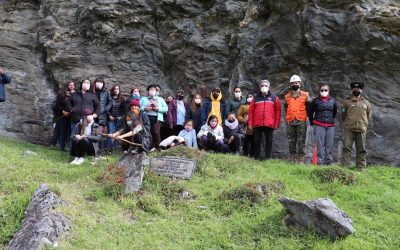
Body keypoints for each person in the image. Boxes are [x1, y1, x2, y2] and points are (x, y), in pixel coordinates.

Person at [341, 82, 372, 170]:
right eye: (354, 88)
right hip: (349, 129)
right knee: (346, 148)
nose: (356, 90)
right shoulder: (346, 102)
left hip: (361, 129)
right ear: (352, 89)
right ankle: (345, 166)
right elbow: (343, 115)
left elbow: (368, 116)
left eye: (358, 89)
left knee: (362, 149)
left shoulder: (367, 103)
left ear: (361, 90)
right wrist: (348, 123)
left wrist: (364, 125)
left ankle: (361, 167)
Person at [248, 80, 281, 160]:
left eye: (266, 86)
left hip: (269, 123)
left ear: (269, 87)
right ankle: (257, 157)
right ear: (260, 87)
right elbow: (251, 111)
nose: (264, 87)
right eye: (262, 85)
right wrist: (250, 123)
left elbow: (278, 111)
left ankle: (268, 158)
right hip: (257, 123)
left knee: (269, 141)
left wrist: (277, 123)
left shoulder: (274, 98)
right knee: (256, 141)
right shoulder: (255, 98)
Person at [308, 84, 338, 165]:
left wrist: (330, 120)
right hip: (319, 124)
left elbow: (334, 112)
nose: (324, 92)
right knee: (320, 145)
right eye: (322, 90)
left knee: (329, 144)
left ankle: (328, 162)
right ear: (319, 91)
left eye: (325, 90)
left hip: (330, 126)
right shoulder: (315, 101)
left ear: (329, 91)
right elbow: (310, 112)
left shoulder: (333, 100)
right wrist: (312, 123)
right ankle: (320, 162)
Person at [284, 75, 311, 163]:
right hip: (291, 121)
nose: (294, 84)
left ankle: (301, 161)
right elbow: (286, 107)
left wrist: (306, 117)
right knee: (291, 141)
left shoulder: (305, 95)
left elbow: (309, 107)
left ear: (299, 84)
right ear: (290, 85)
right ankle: (292, 160)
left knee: (301, 142)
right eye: (292, 83)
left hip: (301, 121)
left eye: (296, 83)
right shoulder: (287, 96)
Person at [140, 85, 168, 150]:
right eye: (151, 89)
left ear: (156, 91)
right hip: (146, 118)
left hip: (157, 119)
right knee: (147, 133)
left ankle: (159, 148)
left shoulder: (160, 99)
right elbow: (138, 107)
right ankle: (148, 148)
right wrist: (144, 108)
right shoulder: (143, 99)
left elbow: (166, 108)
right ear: (148, 91)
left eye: (154, 89)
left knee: (156, 133)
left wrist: (158, 109)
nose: (152, 91)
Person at [52, 81, 75, 151]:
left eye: (73, 85)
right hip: (62, 116)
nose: (72, 86)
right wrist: (63, 111)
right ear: (67, 86)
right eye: (70, 85)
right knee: (62, 131)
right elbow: (57, 105)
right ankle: (61, 147)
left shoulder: (75, 94)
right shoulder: (62, 94)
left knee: (69, 132)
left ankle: (67, 146)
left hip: (71, 116)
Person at [93, 78, 112, 150]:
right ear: (95, 83)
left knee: (100, 133)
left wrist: (105, 109)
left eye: (101, 82)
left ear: (103, 83)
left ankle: (99, 149)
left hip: (102, 116)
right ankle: (92, 149)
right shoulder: (92, 91)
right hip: (92, 115)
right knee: (92, 132)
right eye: (98, 82)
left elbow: (110, 102)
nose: (99, 83)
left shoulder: (106, 92)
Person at [106, 84, 125, 152]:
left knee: (117, 132)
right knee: (110, 132)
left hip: (118, 119)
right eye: (115, 89)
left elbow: (124, 109)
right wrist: (109, 116)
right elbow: (107, 108)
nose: (116, 90)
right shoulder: (109, 98)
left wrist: (121, 117)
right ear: (113, 90)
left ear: (119, 90)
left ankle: (115, 147)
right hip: (110, 118)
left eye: (117, 89)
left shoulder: (122, 99)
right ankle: (107, 148)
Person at [237, 93, 254, 157]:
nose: (250, 97)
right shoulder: (243, 106)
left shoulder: (256, 106)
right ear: (246, 98)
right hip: (245, 127)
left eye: (251, 96)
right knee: (246, 141)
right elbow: (238, 115)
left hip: (254, 127)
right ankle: (245, 154)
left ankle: (253, 155)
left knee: (254, 141)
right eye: (248, 96)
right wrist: (243, 120)